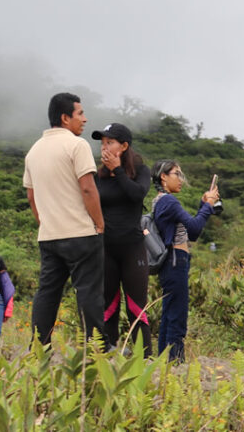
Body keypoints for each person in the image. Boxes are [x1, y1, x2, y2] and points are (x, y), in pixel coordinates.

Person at [24, 92, 106, 346]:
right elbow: (88, 188)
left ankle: (39, 350)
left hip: (49, 236)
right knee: (89, 295)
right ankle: (93, 356)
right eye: (80, 114)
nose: (85, 119)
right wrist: (100, 224)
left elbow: (31, 195)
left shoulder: (33, 151)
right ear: (65, 117)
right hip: (81, 233)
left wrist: (44, 222)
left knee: (47, 293)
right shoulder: (76, 145)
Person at [92, 123, 152, 357]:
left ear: (124, 146)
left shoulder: (140, 170)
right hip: (105, 248)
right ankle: (108, 357)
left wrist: (117, 170)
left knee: (137, 305)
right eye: (102, 143)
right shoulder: (98, 176)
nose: (104, 147)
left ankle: (145, 358)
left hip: (133, 248)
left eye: (110, 142)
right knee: (109, 305)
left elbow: (137, 194)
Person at [151, 159, 218, 363]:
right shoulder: (169, 201)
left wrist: (203, 206)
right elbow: (195, 229)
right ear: (163, 177)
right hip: (175, 260)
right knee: (177, 315)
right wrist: (208, 205)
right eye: (176, 174)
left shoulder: (160, 200)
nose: (181, 179)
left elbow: (190, 230)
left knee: (169, 313)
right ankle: (175, 362)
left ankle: (165, 361)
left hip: (171, 261)